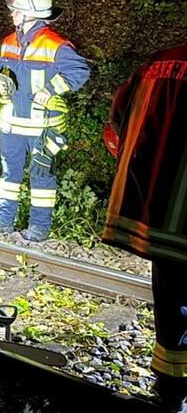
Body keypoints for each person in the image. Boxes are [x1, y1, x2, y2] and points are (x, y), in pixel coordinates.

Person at [102, 43, 187, 412]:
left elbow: (118, 124)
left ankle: (172, 394)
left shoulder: (159, 63)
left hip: (163, 217)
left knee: (171, 306)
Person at [0, 0, 90, 242]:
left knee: (41, 176)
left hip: (42, 128)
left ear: (30, 15)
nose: (12, 15)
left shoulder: (55, 45)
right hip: (11, 125)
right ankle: (2, 220)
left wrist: (52, 89)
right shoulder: (8, 41)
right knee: (9, 175)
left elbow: (80, 72)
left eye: (16, 11)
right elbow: (1, 69)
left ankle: (39, 227)